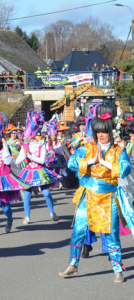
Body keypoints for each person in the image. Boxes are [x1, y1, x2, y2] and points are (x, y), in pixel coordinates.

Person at [59, 104, 134, 283]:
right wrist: (92, 161)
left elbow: (125, 169)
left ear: (109, 131)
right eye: (98, 132)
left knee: (111, 233)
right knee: (78, 230)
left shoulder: (118, 151)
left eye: (104, 132)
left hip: (109, 198)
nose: (101, 135)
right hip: (88, 195)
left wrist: (105, 163)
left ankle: (117, 269)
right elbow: (72, 164)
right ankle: (73, 264)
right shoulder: (88, 148)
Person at [16, 110, 62, 224]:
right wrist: (22, 154)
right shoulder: (25, 146)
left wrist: (29, 155)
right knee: (27, 195)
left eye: (25, 136)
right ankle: (27, 217)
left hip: (40, 170)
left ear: (30, 136)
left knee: (46, 192)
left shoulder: (41, 144)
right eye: (24, 136)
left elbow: (41, 160)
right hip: (29, 172)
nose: (23, 137)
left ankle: (52, 212)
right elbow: (18, 161)